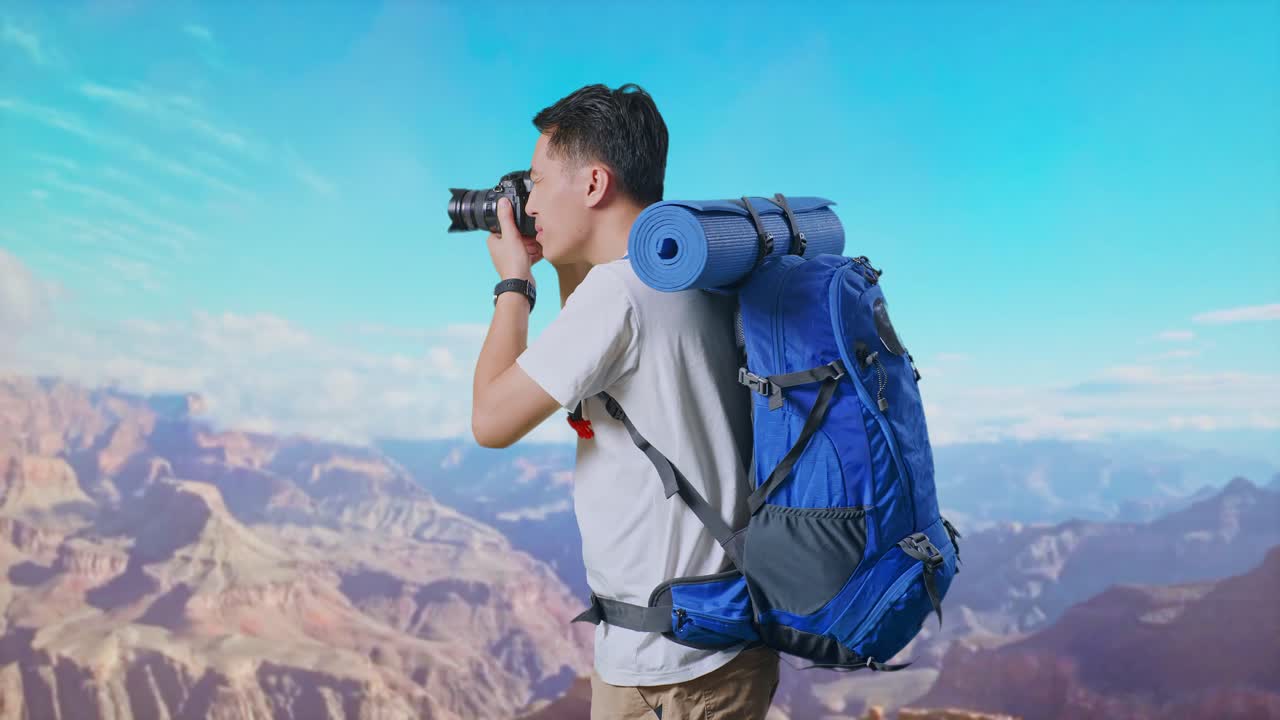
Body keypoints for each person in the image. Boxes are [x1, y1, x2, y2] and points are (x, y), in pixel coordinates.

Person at [470, 82, 779, 719]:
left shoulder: (618, 297)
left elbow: (491, 421)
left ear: (592, 184)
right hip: (725, 638)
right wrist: (558, 264)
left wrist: (512, 282)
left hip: (667, 672)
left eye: (535, 181)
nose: (527, 203)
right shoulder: (686, 268)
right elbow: (599, 378)